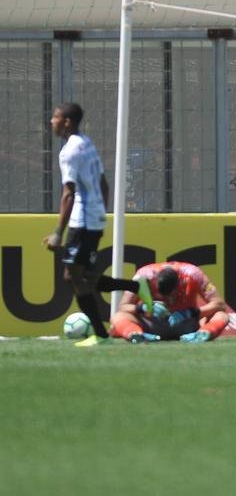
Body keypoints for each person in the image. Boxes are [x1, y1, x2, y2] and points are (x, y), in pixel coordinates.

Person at [41, 102, 152, 347]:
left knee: (73, 276)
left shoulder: (69, 151)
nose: (51, 121)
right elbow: (103, 183)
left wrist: (58, 233)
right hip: (94, 218)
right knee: (84, 277)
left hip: (82, 222)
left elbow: (68, 194)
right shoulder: (87, 144)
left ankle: (101, 335)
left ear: (67, 122)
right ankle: (134, 286)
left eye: (55, 117)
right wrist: (100, 212)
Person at [111, 261, 230, 343]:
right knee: (118, 317)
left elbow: (219, 304)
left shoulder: (193, 274)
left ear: (180, 283)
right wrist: (142, 308)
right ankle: (136, 335)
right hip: (152, 325)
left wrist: (191, 312)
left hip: (188, 325)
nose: (168, 300)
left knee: (221, 315)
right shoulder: (143, 277)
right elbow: (123, 307)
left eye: (171, 295)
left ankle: (203, 334)